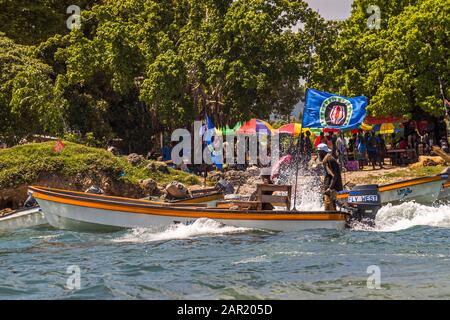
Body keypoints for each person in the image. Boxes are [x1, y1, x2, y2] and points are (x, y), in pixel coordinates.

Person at [317, 143, 343, 211]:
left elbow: (335, 176)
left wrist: (330, 188)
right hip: (329, 189)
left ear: (322, 152)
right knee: (331, 208)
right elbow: (329, 175)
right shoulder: (326, 159)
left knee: (328, 209)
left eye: (318, 152)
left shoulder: (330, 159)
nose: (318, 154)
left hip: (332, 190)